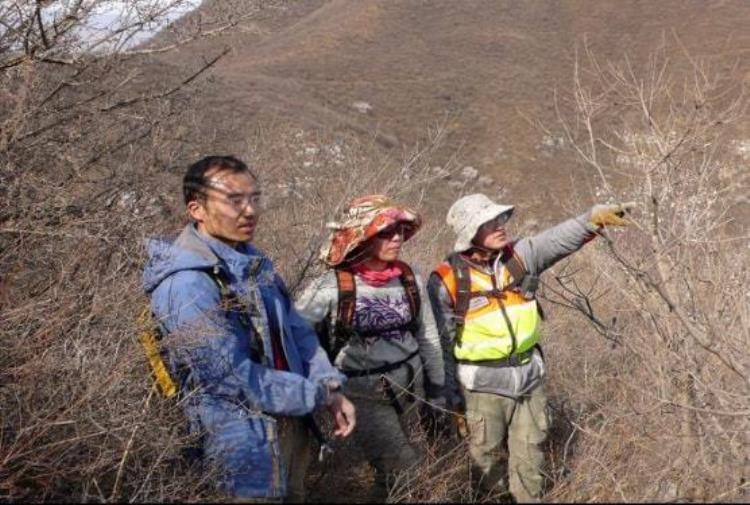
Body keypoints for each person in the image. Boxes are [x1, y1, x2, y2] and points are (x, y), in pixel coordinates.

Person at [142, 155, 356, 502]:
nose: (250, 210)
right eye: (234, 200)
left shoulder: (254, 264)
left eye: (254, 198)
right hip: (239, 444)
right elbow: (228, 377)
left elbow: (297, 331)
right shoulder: (187, 284)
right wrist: (316, 395)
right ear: (197, 209)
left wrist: (328, 383)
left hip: (289, 426)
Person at [428, 193, 632, 502]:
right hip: (481, 386)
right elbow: (441, 343)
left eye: (500, 219)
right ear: (471, 233)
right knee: (485, 462)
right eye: (489, 223)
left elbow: (558, 239)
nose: (500, 226)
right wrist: (450, 397)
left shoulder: (521, 255)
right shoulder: (446, 279)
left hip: (529, 377)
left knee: (531, 458)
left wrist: (594, 218)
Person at [295, 195, 446, 501]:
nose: (397, 238)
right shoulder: (332, 285)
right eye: (386, 232)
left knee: (391, 477)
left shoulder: (408, 277)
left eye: (400, 231)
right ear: (362, 237)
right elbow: (297, 336)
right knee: (407, 472)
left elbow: (427, 333)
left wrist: (439, 387)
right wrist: (322, 387)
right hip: (365, 394)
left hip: (410, 390)